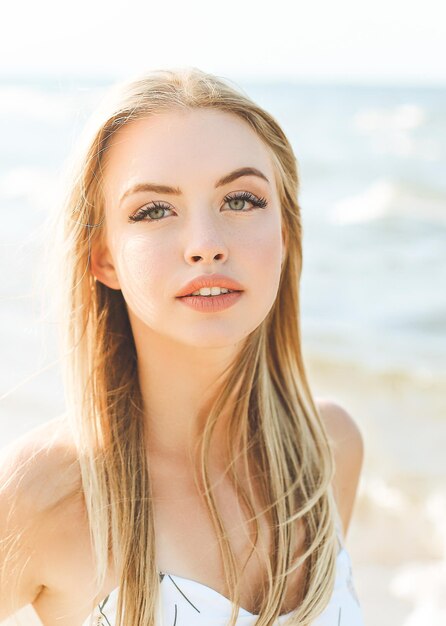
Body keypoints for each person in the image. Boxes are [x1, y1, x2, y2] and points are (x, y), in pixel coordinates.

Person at [0, 67, 365, 626]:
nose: (206, 245)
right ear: (103, 258)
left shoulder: (328, 450)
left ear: (286, 232)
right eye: (153, 209)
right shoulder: (44, 492)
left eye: (241, 200)